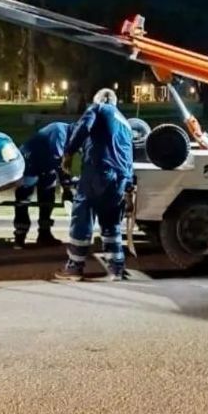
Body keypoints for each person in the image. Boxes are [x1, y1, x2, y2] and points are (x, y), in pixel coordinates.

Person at [55, 88, 133, 281]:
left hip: (98, 172)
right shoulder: (125, 123)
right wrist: (129, 187)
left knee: (83, 214)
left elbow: (83, 128)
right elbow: (128, 155)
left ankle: (74, 267)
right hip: (120, 178)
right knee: (111, 222)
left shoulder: (98, 109)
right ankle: (116, 267)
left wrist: (68, 153)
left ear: (99, 100)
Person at [13, 122, 73, 248]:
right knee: (24, 198)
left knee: (48, 198)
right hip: (29, 163)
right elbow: (58, 159)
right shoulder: (59, 131)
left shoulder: (72, 138)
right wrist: (66, 186)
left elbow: (66, 161)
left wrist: (66, 184)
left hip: (47, 167)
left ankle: (44, 234)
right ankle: (20, 236)